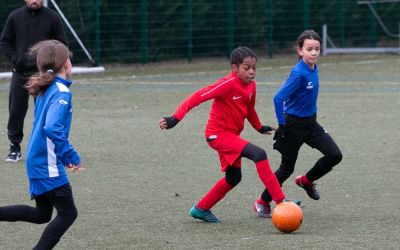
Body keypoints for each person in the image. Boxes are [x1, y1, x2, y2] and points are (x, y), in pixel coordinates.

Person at [159, 46, 292, 223]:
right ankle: (281, 202)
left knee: (233, 177)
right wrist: (175, 118)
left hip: (231, 136)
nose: (251, 72)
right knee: (259, 154)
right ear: (234, 68)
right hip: (217, 135)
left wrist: (259, 127)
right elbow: (197, 97)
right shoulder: (226, 84)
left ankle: (201, 209)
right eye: (246, 68)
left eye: (254, 68)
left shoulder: (251, 86)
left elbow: (249, 109)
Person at [0, 40, 81, 250]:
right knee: (68, 213)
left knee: (41, 215)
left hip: (38, 160)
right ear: (66, 64)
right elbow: (52, 128)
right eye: (69, 58)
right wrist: (70, 155)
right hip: (46, 165)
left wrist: (63, 157)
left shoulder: (48, 87)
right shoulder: (61, 92)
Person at [256, 30, 343, 207]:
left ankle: (306, 181)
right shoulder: (299, 73)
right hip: (293, 126)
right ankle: (262, 202)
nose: (314, 53)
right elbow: (278, 98)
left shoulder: (314, 67)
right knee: (286, 169)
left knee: (335, 155)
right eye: (309, 49)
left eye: (317, 49)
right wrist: (282, 124)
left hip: (311, 124)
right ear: (300, 51)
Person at [0, 0, 67, 162]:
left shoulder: (53, 18)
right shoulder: (15, 17)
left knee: (46, 113)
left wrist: (51, 66)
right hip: (20, 73)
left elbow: (61, 45)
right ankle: (14, 147)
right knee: (16, 111)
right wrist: (16, 59)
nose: (34, 0)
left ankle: (47, 148)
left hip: (44, 76)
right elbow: (5, 42)